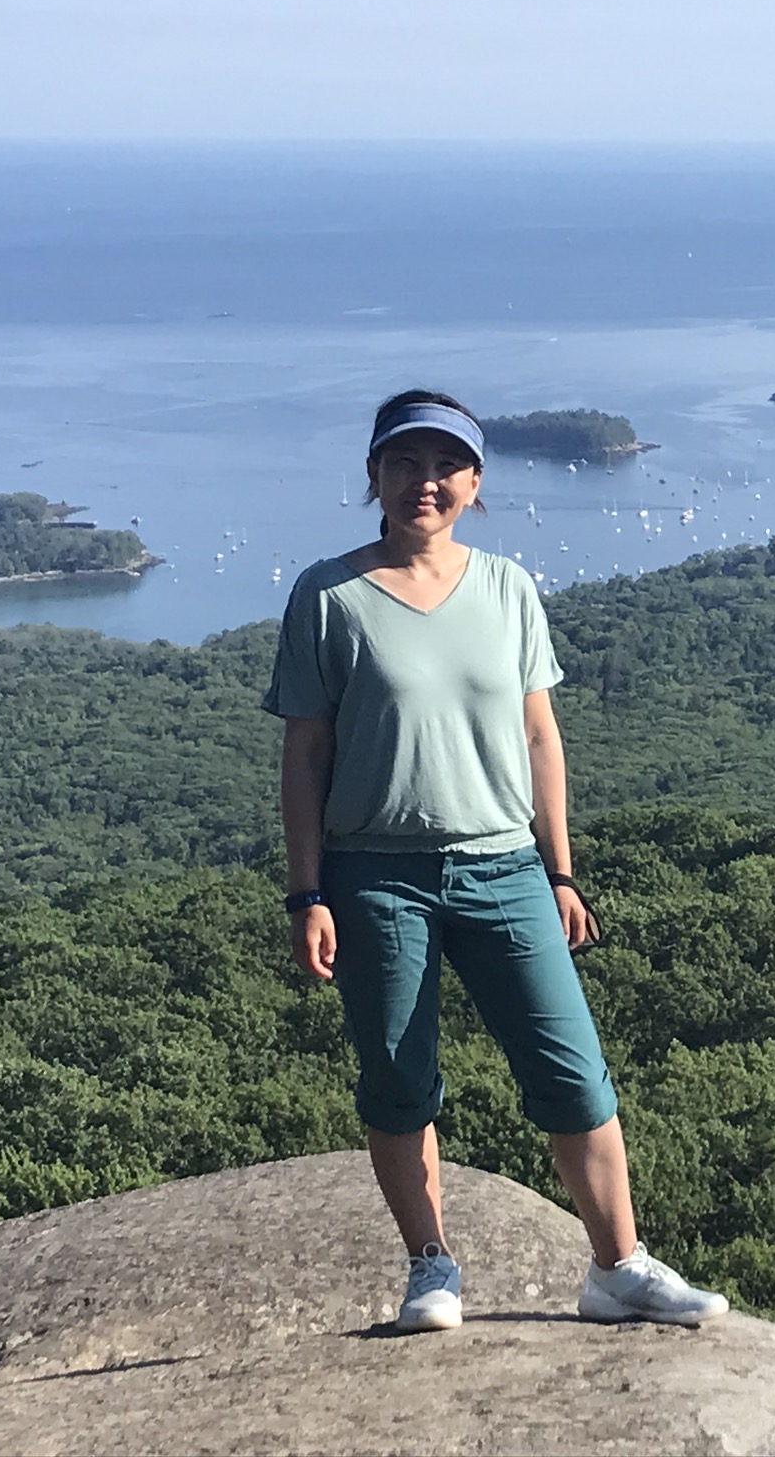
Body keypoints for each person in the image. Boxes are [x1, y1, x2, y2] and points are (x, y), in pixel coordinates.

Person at [262, 389, 727, 1333]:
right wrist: (305, 891)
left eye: (445, 466)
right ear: (373, 477)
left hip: (504, 866)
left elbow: (539, 738)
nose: (423, 483)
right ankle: (432, 1268)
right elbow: (304, 756)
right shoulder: (328, 595)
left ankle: (618, 1268)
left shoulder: (509, 587)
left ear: (475, 483)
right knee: (398, 1079)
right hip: (374, 872)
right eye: (403, 464)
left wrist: (561, 872)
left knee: (573, 1072)